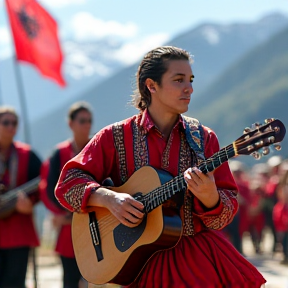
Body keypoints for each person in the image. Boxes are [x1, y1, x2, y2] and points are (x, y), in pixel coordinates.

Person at [55, 46, 266, 288]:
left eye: (190, 80)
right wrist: (108, 199)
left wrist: (211, 199)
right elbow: (68, 183)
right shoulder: (115, 136)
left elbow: (226, 212)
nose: (189, 88)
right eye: (178, 80)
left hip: (195, 262)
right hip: (137, 263)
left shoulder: (204, 138)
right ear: (151, 86)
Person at [39, 101, 93, 288]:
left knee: (95, 278)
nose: (87, 125)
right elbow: (48, 189)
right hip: (68, 227)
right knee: (69, 279)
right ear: (71, 124)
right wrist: (61, 214)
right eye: (82, 120)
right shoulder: (59, 153)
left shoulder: (96, 148)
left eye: (89, 120)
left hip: (96, 224)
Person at [0, 106, 42, 288]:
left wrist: (30, 203)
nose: (11, 127)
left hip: (19, 232)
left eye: (14, 123)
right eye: (6, 122)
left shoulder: (28, 154)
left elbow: (42, 185)